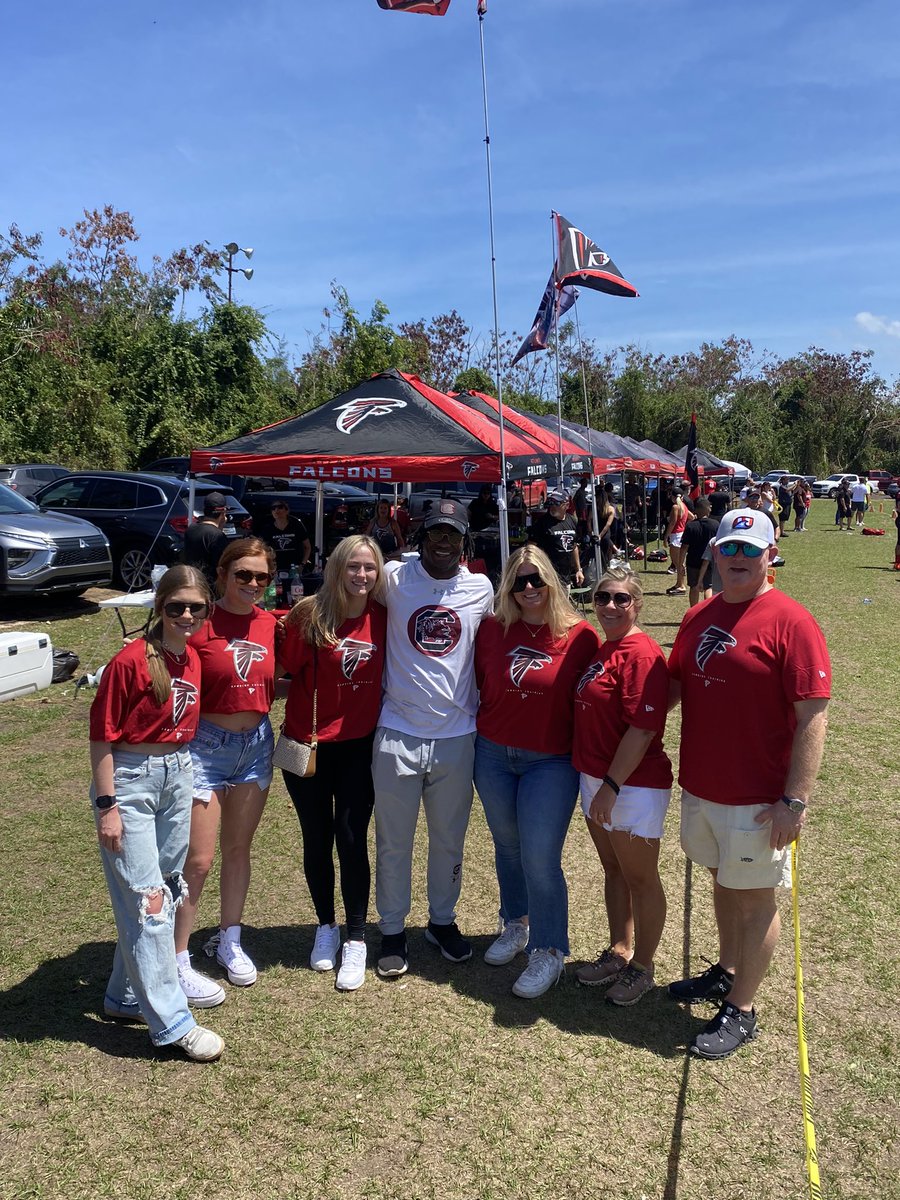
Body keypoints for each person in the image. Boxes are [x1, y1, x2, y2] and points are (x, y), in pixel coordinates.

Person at [667, 507, 830, 1059]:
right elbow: (672, 687)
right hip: (702, 786)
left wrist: (794, 800)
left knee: (756, 899)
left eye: (749, 550)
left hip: (760, 800)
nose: (737, 559)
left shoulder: (792, 621)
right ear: (713, 552)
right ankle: (728, 970)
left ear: (769, 555)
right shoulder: (697, 617)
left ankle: (744, 1008)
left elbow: (813, 716)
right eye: (728, 548)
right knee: (722, 880)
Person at [89, 566, 224, 1061]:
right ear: (158, 608)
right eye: (176, 607)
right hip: (130, 782)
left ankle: (125, 996)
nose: (186, 615)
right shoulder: (129, 662)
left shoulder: (190, 658)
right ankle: (172, 1022)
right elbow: (102, 738)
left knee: (166, 892)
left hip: (177, 773)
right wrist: (108, 808)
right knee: (147, 902)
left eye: (196, 608)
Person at [372, 498, 494, 978]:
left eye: (452, 534)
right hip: (398, 731)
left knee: (449, 840)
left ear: (464, 542)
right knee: (393, 841)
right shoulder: (393, 579)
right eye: (435, 533)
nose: (443, 542)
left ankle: (441, 921)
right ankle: (392, 930)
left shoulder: (480, 588)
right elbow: (348, 592)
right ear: (420, 536)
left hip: (457, 735)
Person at [473, 546, 599, 997]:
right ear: (507, 587)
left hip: (551, 760)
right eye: (519, 581)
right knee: (507, 847)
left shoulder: (581, 636)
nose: (528, 589)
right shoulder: (490, 630)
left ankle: (549, 950)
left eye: (537, 580)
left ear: (552, 582)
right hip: (491, 754)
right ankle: (516, 923)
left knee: (540, 856)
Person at [279, 536, 387, 991]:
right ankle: (326, 926)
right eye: (353, 567)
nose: (361, 576)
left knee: (351, 836)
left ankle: (357, 936)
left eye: (369, 568)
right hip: (308, 746)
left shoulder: (384, 617)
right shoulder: (308, 614)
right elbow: (285, 675)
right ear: (336, 568)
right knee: (316, 837)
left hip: (359, 746)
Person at [174, 537, 279, 1003]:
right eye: (243, 575)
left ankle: (228, 940)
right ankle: (176, 958)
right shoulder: (197, 620)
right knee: (197, 859)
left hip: (256, 744)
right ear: (222, 575)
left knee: (239, 849)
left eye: (261, 577)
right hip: (205, 746)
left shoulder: (272, 624)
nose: (253, 584)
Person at [573, 567, 673, 1005]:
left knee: (641, 877)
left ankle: (643, 967)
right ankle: (619, 948)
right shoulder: (603, 648)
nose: (610, 606)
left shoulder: (642, 652)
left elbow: (643, 728)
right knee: (613, 869)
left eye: (621, 599)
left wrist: (612, 785)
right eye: (602, 598)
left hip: (632, 785)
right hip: (596, 777)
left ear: (637, 605)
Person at [529, 489, 584, 587]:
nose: (553, 506)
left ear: (566, 505)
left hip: (565, 577)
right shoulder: (542, 523)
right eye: (551, 502)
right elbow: (531, 548)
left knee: (563, 601)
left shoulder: (572, 520)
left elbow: (574, 547)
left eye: (557, 503)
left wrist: (578, 570)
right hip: (547, 576)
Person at [182, 492, 229, 588]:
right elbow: (220, 565)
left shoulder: (191, 528)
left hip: (191, 580)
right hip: (209, 586)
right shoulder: (218, 536)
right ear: (223, 512)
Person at [681, 497, 720, 607]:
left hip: (692, 561)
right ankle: (708, 611)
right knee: (708, 587)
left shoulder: (690, 525)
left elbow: (684, 547)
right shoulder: (715, 524)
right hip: (710, 561)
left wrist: (680, 564)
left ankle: (693, 611)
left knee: (694, 587)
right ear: (706, 508)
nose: (711, 508)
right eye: (709, 506)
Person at [258, 500, 312, 579]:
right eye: (273, 508)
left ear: (287, 510)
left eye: (280, 507)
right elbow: (263, 549)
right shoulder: (268, 528)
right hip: (276, 569)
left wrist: (302, 565)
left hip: (295, 567)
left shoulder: (296, 525)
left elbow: (308, 547)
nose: (276, 510)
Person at [664, 487, 689, 596]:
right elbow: (692, 517)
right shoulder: (684, 506)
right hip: (682, 533)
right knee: (679, 562)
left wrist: (666, 536)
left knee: (677, 562)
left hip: (676, 535)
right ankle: (679, 583)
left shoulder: (675, 507)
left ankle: (681, 585)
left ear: (672, 496)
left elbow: (672, 523)